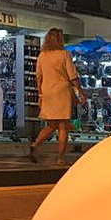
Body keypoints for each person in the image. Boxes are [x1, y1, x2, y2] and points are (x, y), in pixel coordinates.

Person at [29, 28, 84, 165]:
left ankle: (35, 145)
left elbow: (38, 77)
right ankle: (60, 158)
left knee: (51, 124)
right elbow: (72, 76)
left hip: (47, 91)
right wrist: (80, 91)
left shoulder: (42, 55)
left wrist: (40, 95)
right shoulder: (65, 54)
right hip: (61, 91)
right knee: (62, 126)